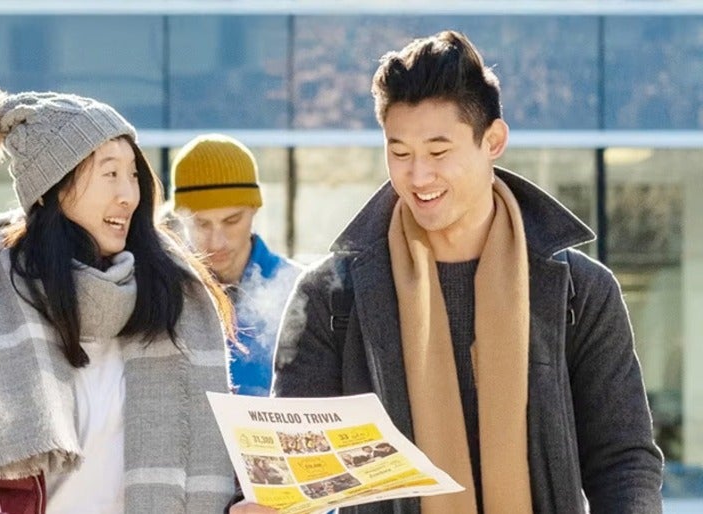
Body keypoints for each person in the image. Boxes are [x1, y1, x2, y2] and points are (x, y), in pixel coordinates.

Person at [269, 30, 664, 514]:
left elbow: (622, 461)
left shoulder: (579, 291)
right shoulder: (331, 296)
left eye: (438, 153)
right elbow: (294, 470)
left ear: (492, 140)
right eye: (399, 153)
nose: (418, 177)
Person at [0, 85, 237, 513]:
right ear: (53, 186)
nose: (129, 194)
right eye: (109, 173)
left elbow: (214, 461)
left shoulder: (177, 298)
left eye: (133, 174)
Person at [170, 134, 302, 397]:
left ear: (254, 210)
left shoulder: (299, 290)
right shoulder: (165, 296)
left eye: (232, 220)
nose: (216, 241)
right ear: (180, 218)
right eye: (201, 223)